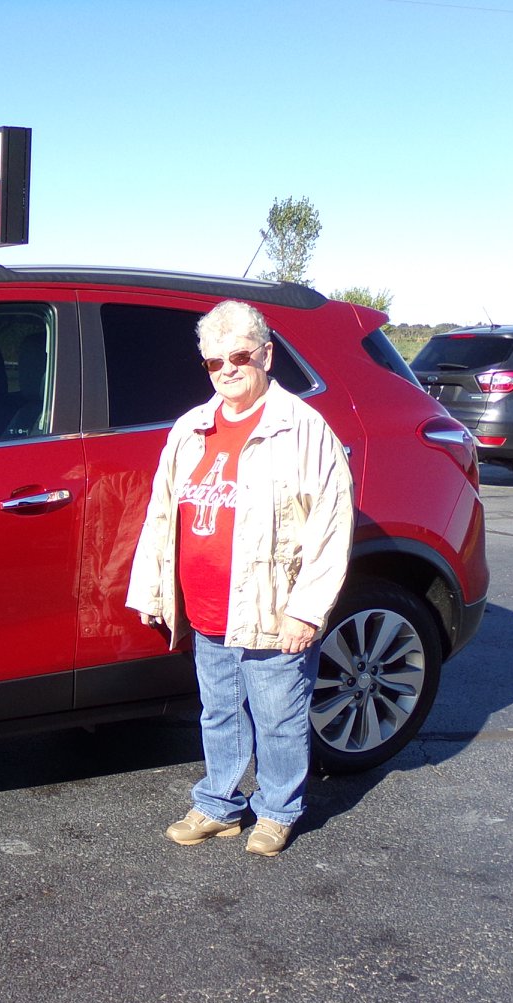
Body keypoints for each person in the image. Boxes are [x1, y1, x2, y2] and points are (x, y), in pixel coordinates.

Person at [126, 300, 353, 857]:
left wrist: (307, 610)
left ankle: (277, 810)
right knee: (220, 712)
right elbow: (162, 513)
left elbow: (332, 525)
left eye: (239, 356)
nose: (227, 369)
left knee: (279, 717)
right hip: (207, 607)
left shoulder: (303, 430)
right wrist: (154, 588)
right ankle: (220, 805)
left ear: (266, 356)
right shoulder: (191, 428)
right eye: (214, 361)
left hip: (272, 607)